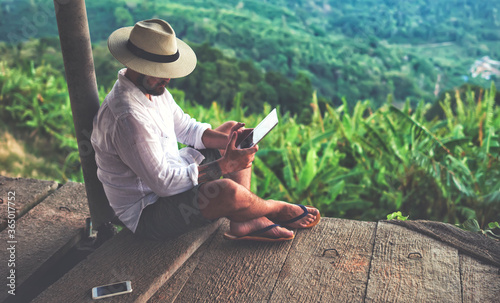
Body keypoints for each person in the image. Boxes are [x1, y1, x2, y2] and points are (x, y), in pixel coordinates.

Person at [91, 19, 320, 242]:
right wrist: (223, 166)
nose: (168, 78)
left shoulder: (151, 89)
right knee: (228, 191)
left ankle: (244, 221)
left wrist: (229, 141)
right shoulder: (128, 119)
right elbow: (164, 184)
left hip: (172, 175)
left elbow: (188, 129)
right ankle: (272, 208)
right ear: (136, 66)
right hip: (149, 211)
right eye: (159, 71)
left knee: (232, 132)